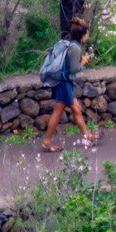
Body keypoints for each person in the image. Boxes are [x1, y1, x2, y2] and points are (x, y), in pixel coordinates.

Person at [41, 17, 100, 153]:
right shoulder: (75, 49)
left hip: (63, 82)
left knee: (77, 109)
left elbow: (69, 64)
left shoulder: (71, 45)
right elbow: (74, 69)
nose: (88, 35)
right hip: (64, 84)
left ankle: (88, 136)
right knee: (57, 113)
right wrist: (83, 62)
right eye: (87, 34)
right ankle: (47, 142)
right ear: (82, 35)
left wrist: (80, 59)